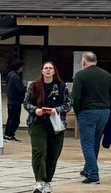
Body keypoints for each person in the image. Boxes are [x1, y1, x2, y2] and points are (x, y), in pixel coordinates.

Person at [71, 51, 111, 185]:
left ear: (83, 62)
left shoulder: (80, 75)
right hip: (104, 112)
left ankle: (93, 175)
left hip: (87, 111)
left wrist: (77, 111)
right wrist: (108, 104)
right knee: (95, 142)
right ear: (96, 61)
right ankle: (88, 168)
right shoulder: (106, 74)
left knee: (86, 144)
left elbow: (75, 97)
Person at [23, 60, 72, 193]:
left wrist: (56, 110)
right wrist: (35, 110)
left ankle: (47, 181)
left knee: (53, 153)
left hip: (55, 123)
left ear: (54, 71)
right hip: (38, 122)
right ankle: (38, 181)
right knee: (39, 151)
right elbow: (26, 103)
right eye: (46, 68)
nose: (48, 70)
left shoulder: (62, 87)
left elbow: (68, 104)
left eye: (51, 68)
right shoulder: (34, 86)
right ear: (42, 71)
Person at [4, 57, 26, 141]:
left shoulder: (10, 75)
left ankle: (8, 135)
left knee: (11, 118)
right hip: (15, 101)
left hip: (11, 101)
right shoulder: (15, 76)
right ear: (19, 67)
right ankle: (9, 135)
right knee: (15, 119)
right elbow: (20, 89)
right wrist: (26, 89)